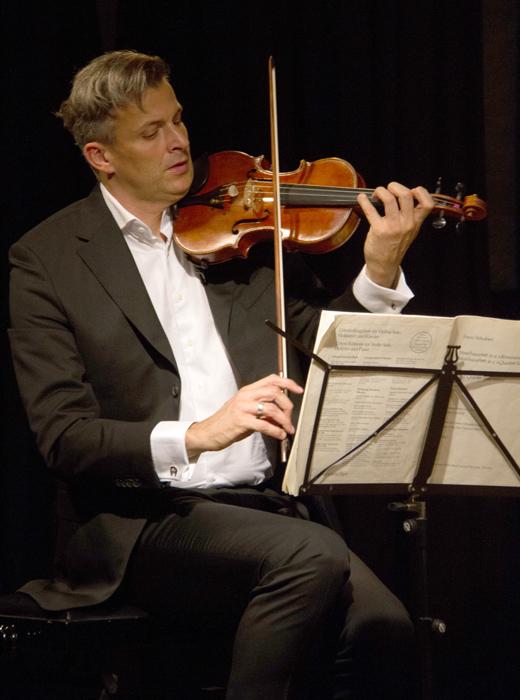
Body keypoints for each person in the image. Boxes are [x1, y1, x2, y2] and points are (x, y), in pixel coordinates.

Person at [9, 50, 434, 699]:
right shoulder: (48, 259)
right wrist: (199, 434)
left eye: (178, 120)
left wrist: (379, 267)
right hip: (144, 519)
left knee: (384, 630)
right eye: (151, 132)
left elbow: (325, 346)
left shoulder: (240, 236)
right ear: (101, 156)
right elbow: (65, 436)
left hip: (270, 507)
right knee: (308, 557)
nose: (178, 141)